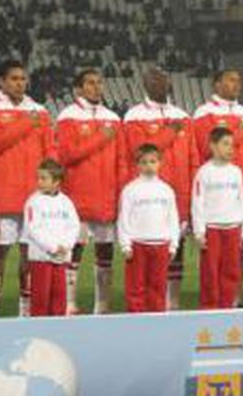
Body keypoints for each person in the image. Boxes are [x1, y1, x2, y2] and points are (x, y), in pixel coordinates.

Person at [0, 60, 55, 318]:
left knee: (30, 255)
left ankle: (26, 312)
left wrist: (52, 183)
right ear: (2, 81)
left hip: (35, 198)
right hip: (3, 195)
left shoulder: (39, 111)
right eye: (14, 79)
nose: (20, 83)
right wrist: (25, 123)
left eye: (23, 79)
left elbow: (49, 150)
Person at [123, 68, 198, 310]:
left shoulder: (182, 115)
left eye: (165, 79)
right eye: (155, 80)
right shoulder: (134, 116)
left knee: (176, 249)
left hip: (180, 191)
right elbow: (140, 151)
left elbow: (193, 157)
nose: (162, 84)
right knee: (146, 257)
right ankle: (142, 308)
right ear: (145, 84)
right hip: (149, 194)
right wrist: (170, 132)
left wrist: (192, 191)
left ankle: (171, 303)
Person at [56, 68, 127, 315]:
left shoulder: (113, 118)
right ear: (78, 89)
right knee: (74, 250)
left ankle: (102, 305)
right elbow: (67, 155)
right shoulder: (68, 116)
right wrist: (100, 137)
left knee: (105, 252)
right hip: (78, 195)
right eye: (90, 83)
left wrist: (121, 191)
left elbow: (121, 159)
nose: (96, 87)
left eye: (99, 83)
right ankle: (69, 303)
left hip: (106, 196)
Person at [117, 143, 181, 313]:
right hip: (138, 244)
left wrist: (173, 244)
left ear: (160, 163)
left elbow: (173, 218)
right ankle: (136, 317)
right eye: (144, 162)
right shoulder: (130, 190)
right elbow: (124, 218)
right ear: (137, 165)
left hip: (161, 244)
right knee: (136, 285)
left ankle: (157, 317)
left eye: (153, 161)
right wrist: (125, 244)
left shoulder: (166, 190)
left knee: (158, 286)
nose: (149, 166)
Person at [192, 127, 243, 309]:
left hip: (233, 228)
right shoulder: (204, 172)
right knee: (210, 271)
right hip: (212, 229)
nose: (230, 148)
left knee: (231, 271)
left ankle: (227, 306)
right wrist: (199, 232)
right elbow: (197, 202)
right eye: (225, 144)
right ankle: (210, 308)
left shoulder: (236, 172)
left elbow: (242, 200)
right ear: (213, 146)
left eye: (232, 145)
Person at [193, 68, 243, 198]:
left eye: (239, 81)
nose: (237, 85)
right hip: (217, 184)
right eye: (231, 80)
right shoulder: (204, 113)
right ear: (217, 85)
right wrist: (239, 133)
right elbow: (206, 148)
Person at [23, 159, 80, 317]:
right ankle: (39, 328)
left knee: (59, 298)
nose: (39, 182)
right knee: (40, 300)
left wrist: (66, 245)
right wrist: (53, 247)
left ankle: (58, 328)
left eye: (44, 178)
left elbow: (74, 226)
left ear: (56, 182)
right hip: (41, 258)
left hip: (61, 258)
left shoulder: (66, 202)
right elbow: (33, 229)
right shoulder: (33, 202)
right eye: (38, 178)